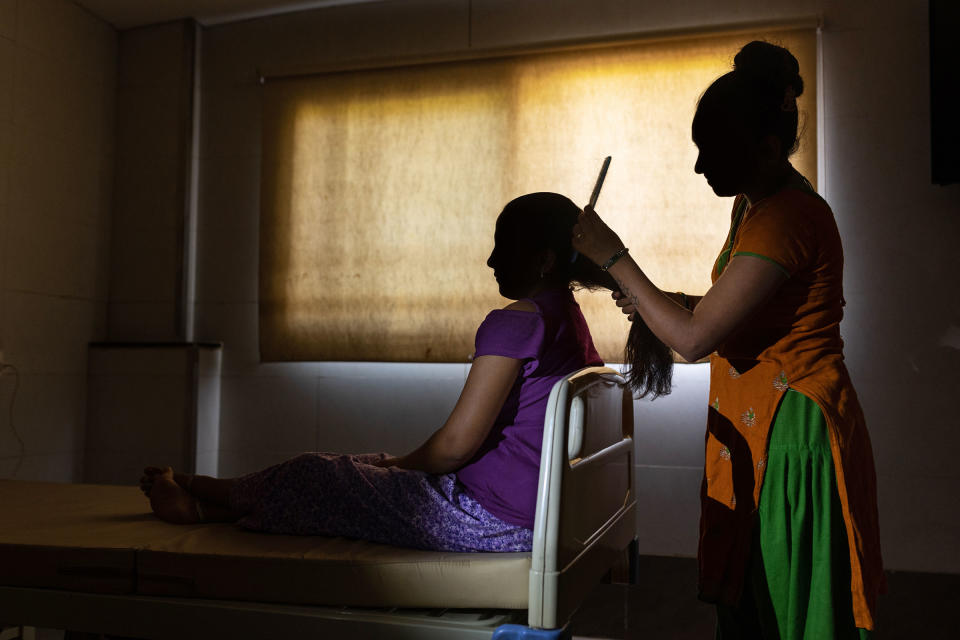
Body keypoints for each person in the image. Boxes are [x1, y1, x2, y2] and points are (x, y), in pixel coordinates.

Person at [140, 192, 669, 553]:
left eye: (502, 247)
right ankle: (203, 490)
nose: (489, 261)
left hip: (492, 521)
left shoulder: (517, 322)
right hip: (531, 516)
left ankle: (198, 503)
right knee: (354, 466)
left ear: (545, 260)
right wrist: (394, 465)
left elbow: (454, 447)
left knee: (317, 472)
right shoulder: (566, 320)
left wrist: (402, 465)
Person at [571, 41, 883, 638]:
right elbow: (724, 313)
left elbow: (693, 339)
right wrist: (651, 303)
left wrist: (614, 256)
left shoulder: (787, 216)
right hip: (762, 422)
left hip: (791, 433)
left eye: (710, 153)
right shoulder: (755, 202)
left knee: (784, 612)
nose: (697, 168)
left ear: (767, 148)